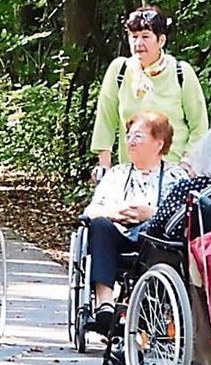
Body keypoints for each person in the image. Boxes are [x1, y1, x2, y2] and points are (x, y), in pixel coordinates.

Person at [79, 110, 186, 333]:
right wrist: (112, 212)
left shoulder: (177, 178)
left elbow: (184, 216)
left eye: (138, 136)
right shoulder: (116, 174)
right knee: (99, 226)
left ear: (159, 143)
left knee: (160, 234)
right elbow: (91, 211)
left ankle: (149, 304)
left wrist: (152, 214)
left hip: (154, 237)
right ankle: (105, 304)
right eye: (128, 136)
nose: (130, 141)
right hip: (117, 234)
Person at [90, 5, 209, 179]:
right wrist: (104, 167)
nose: (138, 44)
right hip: (131, 173)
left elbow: (200, 126)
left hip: (174, 173)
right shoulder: (119, 70)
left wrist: (186, 164)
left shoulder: (181, 72)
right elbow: (105, 121)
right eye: (134, 37)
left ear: (161, 41)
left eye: (145, 37)